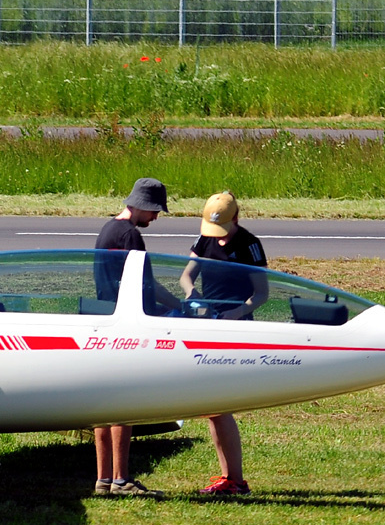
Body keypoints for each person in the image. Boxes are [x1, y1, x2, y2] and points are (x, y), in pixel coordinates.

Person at [181, 191, 268, 498]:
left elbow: (261, 294)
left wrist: (237, 313)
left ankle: (235, 479)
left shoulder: (249, 244)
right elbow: (187, 277)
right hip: (208, 324)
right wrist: (194, 297)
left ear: (236, 218)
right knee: (213, 407)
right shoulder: (204, 239)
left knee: (217, 405)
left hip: (234, 328)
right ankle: (231, 478)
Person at [92, 177, 170, 497]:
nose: (155, 217)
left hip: (104, 320)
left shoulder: (107, 230)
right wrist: (176, 305)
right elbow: (142, 285)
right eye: (154, 211)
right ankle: (122, 479)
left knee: (103, 405)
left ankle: (103, 479)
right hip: (127, 325)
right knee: (124, 402)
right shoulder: (130, 236)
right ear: (141, 206)